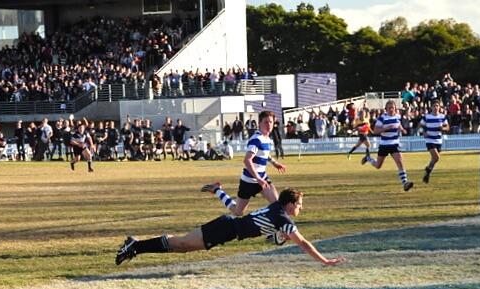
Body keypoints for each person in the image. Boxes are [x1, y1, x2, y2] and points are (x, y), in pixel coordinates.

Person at [115, 187, 347, 267]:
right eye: (300, 205)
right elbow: (304, 244)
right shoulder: (283, 218)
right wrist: (325, 261)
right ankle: (135, 246)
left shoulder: (277, 209)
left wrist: (278, 237)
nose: (301, 209)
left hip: (227, 229)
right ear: (289, 204)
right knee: (182, 244)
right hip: (226, 229)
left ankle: (135, 247)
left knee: (181, 246)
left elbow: (269, 236)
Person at [201, 110, 286, 216]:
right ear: (259, 123)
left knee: (278, 206)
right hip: (248, 181)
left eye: (271, 122)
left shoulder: (267, 138)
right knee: (238, 212)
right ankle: (217, 190)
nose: (269, 125)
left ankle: (275, 231)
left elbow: (263, 154)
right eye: (266, 122)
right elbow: (247, 160)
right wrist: (258, 179)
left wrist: (274, 163)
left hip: (262, 179)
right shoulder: (256, 139)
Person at [361, 101, 414, 192]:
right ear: (386, 109)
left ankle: (405, 183)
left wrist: (402, 130)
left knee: (400, 161)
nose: (391, 109)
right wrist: (385, 128)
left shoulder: (397, 117)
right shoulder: (382, 118)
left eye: (392, 107)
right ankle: (368, 158)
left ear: (395, 108)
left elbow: (398, 125)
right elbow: (375, 130)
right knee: (378, 165)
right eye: (389, 108)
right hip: (384, 144)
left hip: (394, 144)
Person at [419, 100, 449, 184]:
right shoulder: (427, 117)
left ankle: (428, 171)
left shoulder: (442, 117)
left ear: (439, 107)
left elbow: (447, 127)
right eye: (434, 106)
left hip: (438, 140)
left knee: (434, 159)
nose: (435, 107)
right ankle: (428, 170)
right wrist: (423, 132)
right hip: (429, 140)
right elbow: (420, 125)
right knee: (436, 157)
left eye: (437, 106)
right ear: (431, 107)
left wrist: (443, 128)